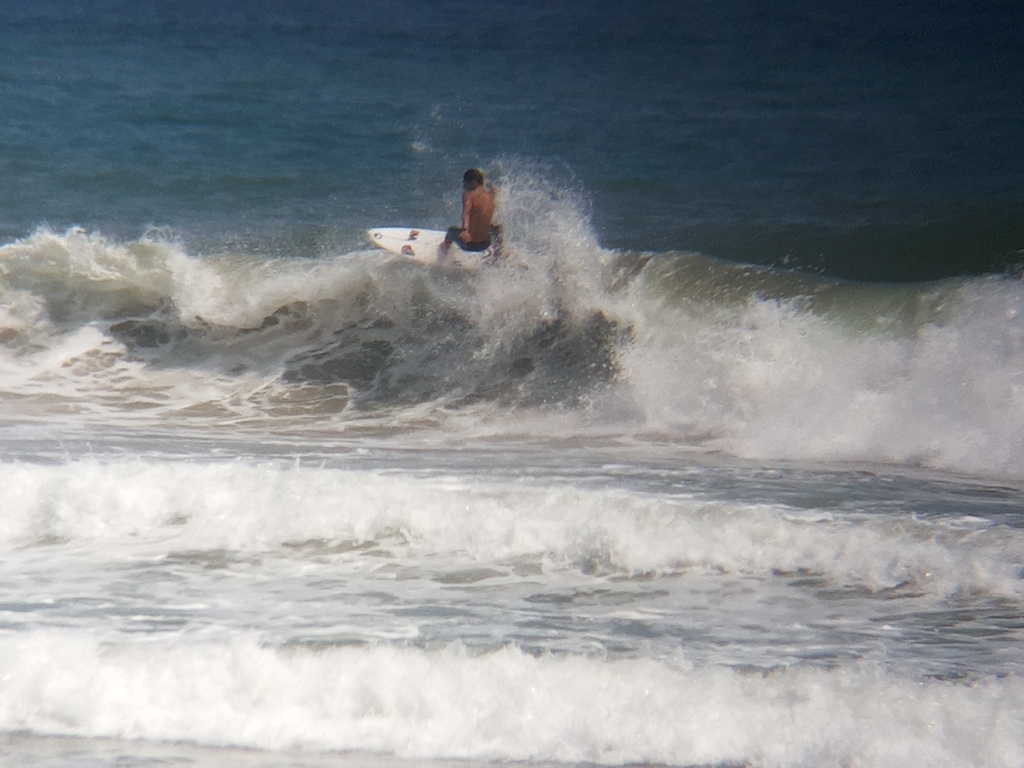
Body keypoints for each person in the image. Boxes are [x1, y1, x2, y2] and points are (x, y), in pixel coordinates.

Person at [439, 168, 500, 257]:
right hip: (485, 243)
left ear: (474, 182)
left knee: (451, 230)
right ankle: (499, 253)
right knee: (497, 229)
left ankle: (443, 253)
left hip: (470, 244)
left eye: (465, 183)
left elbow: (466, 213)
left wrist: (465, 230)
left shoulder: (468, 195)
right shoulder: (491, 196)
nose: (464, 186)